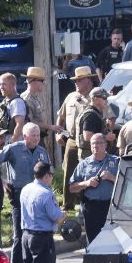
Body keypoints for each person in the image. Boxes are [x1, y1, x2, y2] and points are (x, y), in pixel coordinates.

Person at [0, 123, 50, 263]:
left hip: (37, 198)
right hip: (18, 196)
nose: (36, 138)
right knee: (19, 237)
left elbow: (49, 173)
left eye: (38, 135)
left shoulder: (42, 152)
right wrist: (2, 180)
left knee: (34, 236)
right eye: (33, 135)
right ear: (24, 136)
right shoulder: (14, 149)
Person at [20, 161, 67, 263]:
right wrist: (63, 215)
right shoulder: (46, 194)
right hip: (41, 237)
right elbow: (55, 216)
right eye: (51, 175)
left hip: (26, 235)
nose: (52, 178)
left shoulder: (26, 189)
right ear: (46, 176)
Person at [56, 66, 96, 210]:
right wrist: (59, 133)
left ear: (88, 81)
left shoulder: (96, 97)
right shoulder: (70, 96)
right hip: (72, 140)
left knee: (89, 171)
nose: (76, 83)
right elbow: (60, 117)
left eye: (79, 80)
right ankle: (67, 204)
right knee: (68, 171)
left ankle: (87, 202)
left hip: (89, 141)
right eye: (75, 80)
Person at [69, 133, 119, 244]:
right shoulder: (84, 164)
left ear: (105, 145)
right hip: (91, 207)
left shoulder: (115, 162)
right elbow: (72, 188)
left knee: (112, 241)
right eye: (93, 143)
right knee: (93, 241)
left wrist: (111, 177)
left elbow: (126, 184)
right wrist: (86, 183)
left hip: (110, 207)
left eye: (99, 143)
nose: (95, 146)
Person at [20, 67, 64, 143]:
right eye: (42, 81)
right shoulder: (26, 99)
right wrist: (50, 127)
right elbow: (29, 122)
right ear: (33, 81)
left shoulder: (35, 97)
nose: (43, 83)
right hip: (30, 139)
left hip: (37, 137)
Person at [76, 87, 115, 160]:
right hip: (89, 155)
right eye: (104, 98)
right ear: (94, 98)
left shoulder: (96, 113)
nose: (106, 101)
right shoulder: (90, 115)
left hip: (95, 153)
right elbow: (87, 136)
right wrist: (106, 137)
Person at [0, 73, 28, 143]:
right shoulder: (6, 101)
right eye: (0, 84)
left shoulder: (17, 102)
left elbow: (20, 124)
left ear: (13, 85)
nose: (1, 87)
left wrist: (12, 142)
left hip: (15, 143)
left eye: (4, 84)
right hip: (6, 141)